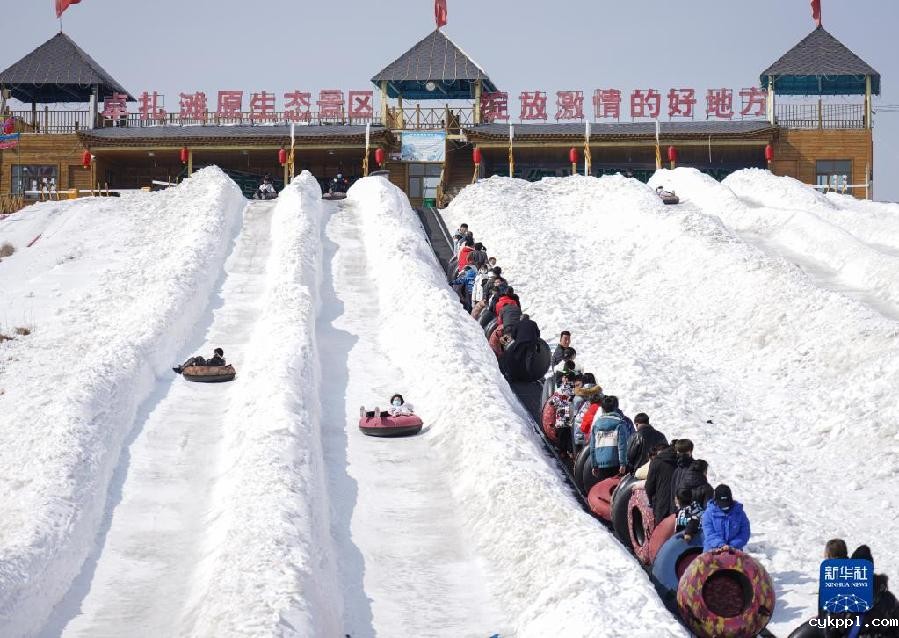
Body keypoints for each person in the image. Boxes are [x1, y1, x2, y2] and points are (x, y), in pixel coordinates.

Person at [590, 395, 632, 481]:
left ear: (602, 409)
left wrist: (594, 465)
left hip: (601, 464)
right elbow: (622, 446)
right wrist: (623, 464)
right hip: (616, 464)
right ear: (615, 408)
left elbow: (592, 447)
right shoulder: (620, 424)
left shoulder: (596, 425)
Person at [701, 484, 750, 552]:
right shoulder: (708, 514)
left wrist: (732, 545)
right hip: (713, 551)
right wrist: (721, 545)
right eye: (722, 504)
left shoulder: (739, 513)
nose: (725, 507)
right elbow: (709, 533)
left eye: (727, 503)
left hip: (734, 551)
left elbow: (745, 533)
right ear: (716, 501)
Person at [645, 441, 679, 522]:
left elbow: (649, 487)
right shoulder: (680, 460)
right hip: (680, 504)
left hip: (662, 504)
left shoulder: (656, 462)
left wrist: (651, 500)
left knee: (662, 531)